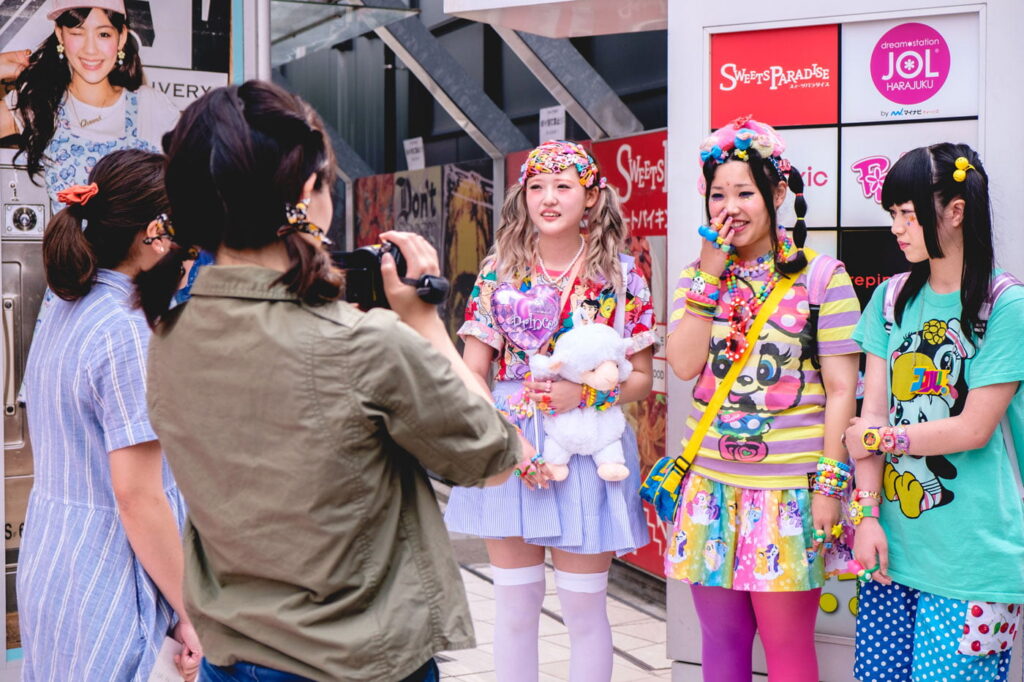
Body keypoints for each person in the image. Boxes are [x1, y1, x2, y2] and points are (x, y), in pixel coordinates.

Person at [136, 80, 531, 682]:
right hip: (356, 663)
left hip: (233, 656)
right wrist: (424, 321)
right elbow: (499, 457)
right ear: (305, 192)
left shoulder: (169, 338)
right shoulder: (363, 343)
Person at [444, 140, 658, 682]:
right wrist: (504, 438)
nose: (548, 198)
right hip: (512, 443)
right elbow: (475, 370)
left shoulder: (622, 276)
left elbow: (641, 381)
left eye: (563, 186)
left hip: (590, 446)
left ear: (591, 197)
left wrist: (582, 395)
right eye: (536, 186)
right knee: (515, 608)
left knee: (584, 608)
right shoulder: (500, 271)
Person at [662, 117, 861, 682]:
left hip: (788, 493)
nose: (730, 207)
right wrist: (707, 275)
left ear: (777, 193)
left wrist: (828, 485)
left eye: (745, 192)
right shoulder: (695, 278)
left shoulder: (823, 277)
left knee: (788, 645)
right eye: (718, 194)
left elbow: (843, 389)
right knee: (721, 643)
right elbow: (681, 365)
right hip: (708, 489)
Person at [18, 149, 200, 680]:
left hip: (55, 561)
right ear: (153, 235)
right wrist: (195, 613)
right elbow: (137, 497)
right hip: (110, 578)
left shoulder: (66, 307)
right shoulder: (126, 330)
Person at [845, 143, 1024, 682]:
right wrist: (868, 514)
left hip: (973, 561)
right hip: (891, 552)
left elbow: (972, 429)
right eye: (892, 214)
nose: (897, 228)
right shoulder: (892, 299)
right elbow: (870, 408)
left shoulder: (1005, 304)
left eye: (907, 213)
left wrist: (877, 440)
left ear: (955, 211)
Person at [0, 0, 179, 215]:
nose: (90, 49)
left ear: (121, 37)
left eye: (103, 34)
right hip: (69, 249)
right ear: (60, 35)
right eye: (77, 32)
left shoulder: (151, 106)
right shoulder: (40, 104)